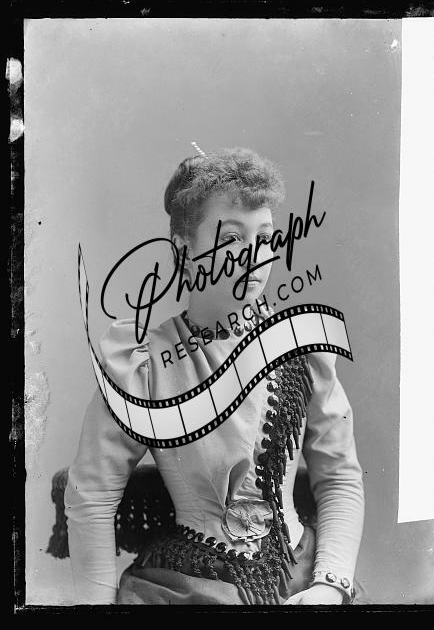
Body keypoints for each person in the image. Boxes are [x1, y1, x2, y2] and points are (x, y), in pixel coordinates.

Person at [64, 147, 364, 605]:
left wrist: (329, 584)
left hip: (302, 576)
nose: (254, 256)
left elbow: (340, 476)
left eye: (266, 237)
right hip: (187, 584)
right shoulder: (143, 364)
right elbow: (91, 496)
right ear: (184, 250)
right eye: (231, 239)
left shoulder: (302, 350)